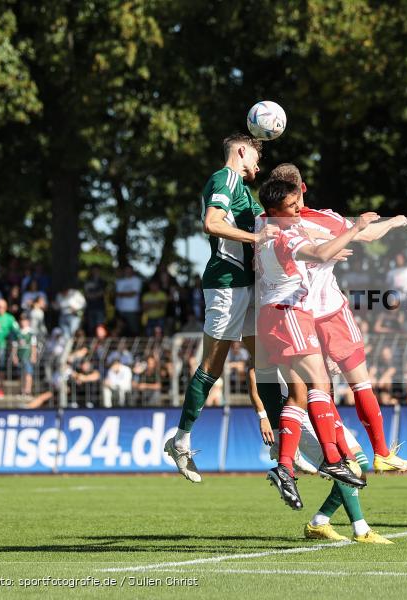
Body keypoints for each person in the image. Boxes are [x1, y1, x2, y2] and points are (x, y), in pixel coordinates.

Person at [265, 163, 407, 472]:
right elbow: (369, 235)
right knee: (360, 384)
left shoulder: (265, 223)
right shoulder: (327, 219)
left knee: (319, 391)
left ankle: (339, 454)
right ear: (302, 188)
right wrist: (396, 222)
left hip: (295, 316)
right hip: (330, 311)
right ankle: (380, 452)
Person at [164, 133, 277, 483]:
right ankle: (180, 440)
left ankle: (283, 445)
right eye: (255, 156)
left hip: (248, 284)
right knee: (212, 367)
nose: (258, 165)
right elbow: (212, 223)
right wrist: (257, 239)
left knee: (266, 363)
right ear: (241, 150)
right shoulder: (224, 177)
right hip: (226, 284)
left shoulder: (244, 191)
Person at [255, 177, 372, 508]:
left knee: (299, 393)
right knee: (320, 382)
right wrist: (356, 227)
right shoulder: (283, 235)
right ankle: (332, 459)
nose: (297, 210)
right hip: (289, 310)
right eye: (292, 206)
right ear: (276, 210)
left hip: (270, 315)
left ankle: (286, 468)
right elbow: (319, 254)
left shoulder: (261, 226)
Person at [250, 376, 392, 544]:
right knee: (342, 466)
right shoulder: (279, 351)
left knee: (360, 464)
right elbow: (254, 370)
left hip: (322, 409)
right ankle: (361, 529)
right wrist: (263, 416)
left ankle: (319, 522)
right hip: (299, 415)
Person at [12, 313, 38, 397]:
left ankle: (28, 390)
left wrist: (33, 356)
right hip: (20, 355)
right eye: (22, 320)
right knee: (21, 374)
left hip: (27, 355)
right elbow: (15, 345)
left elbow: (33, 345)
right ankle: (22, 390)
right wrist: (14, 355)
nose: (23, 322)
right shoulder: (18, 332)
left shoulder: (31, 333)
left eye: (25, 320)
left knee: (28, 373)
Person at [114, 266, 142, 336]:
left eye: (129, 270)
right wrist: (127, 294)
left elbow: (133, 293)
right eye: (126, 270)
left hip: (132, 309)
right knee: (121, 330)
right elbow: (117, 294)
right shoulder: (120, 281)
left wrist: (122, 294)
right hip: (120, 309)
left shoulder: (136, 280)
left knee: (134, 330)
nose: (128, 271)